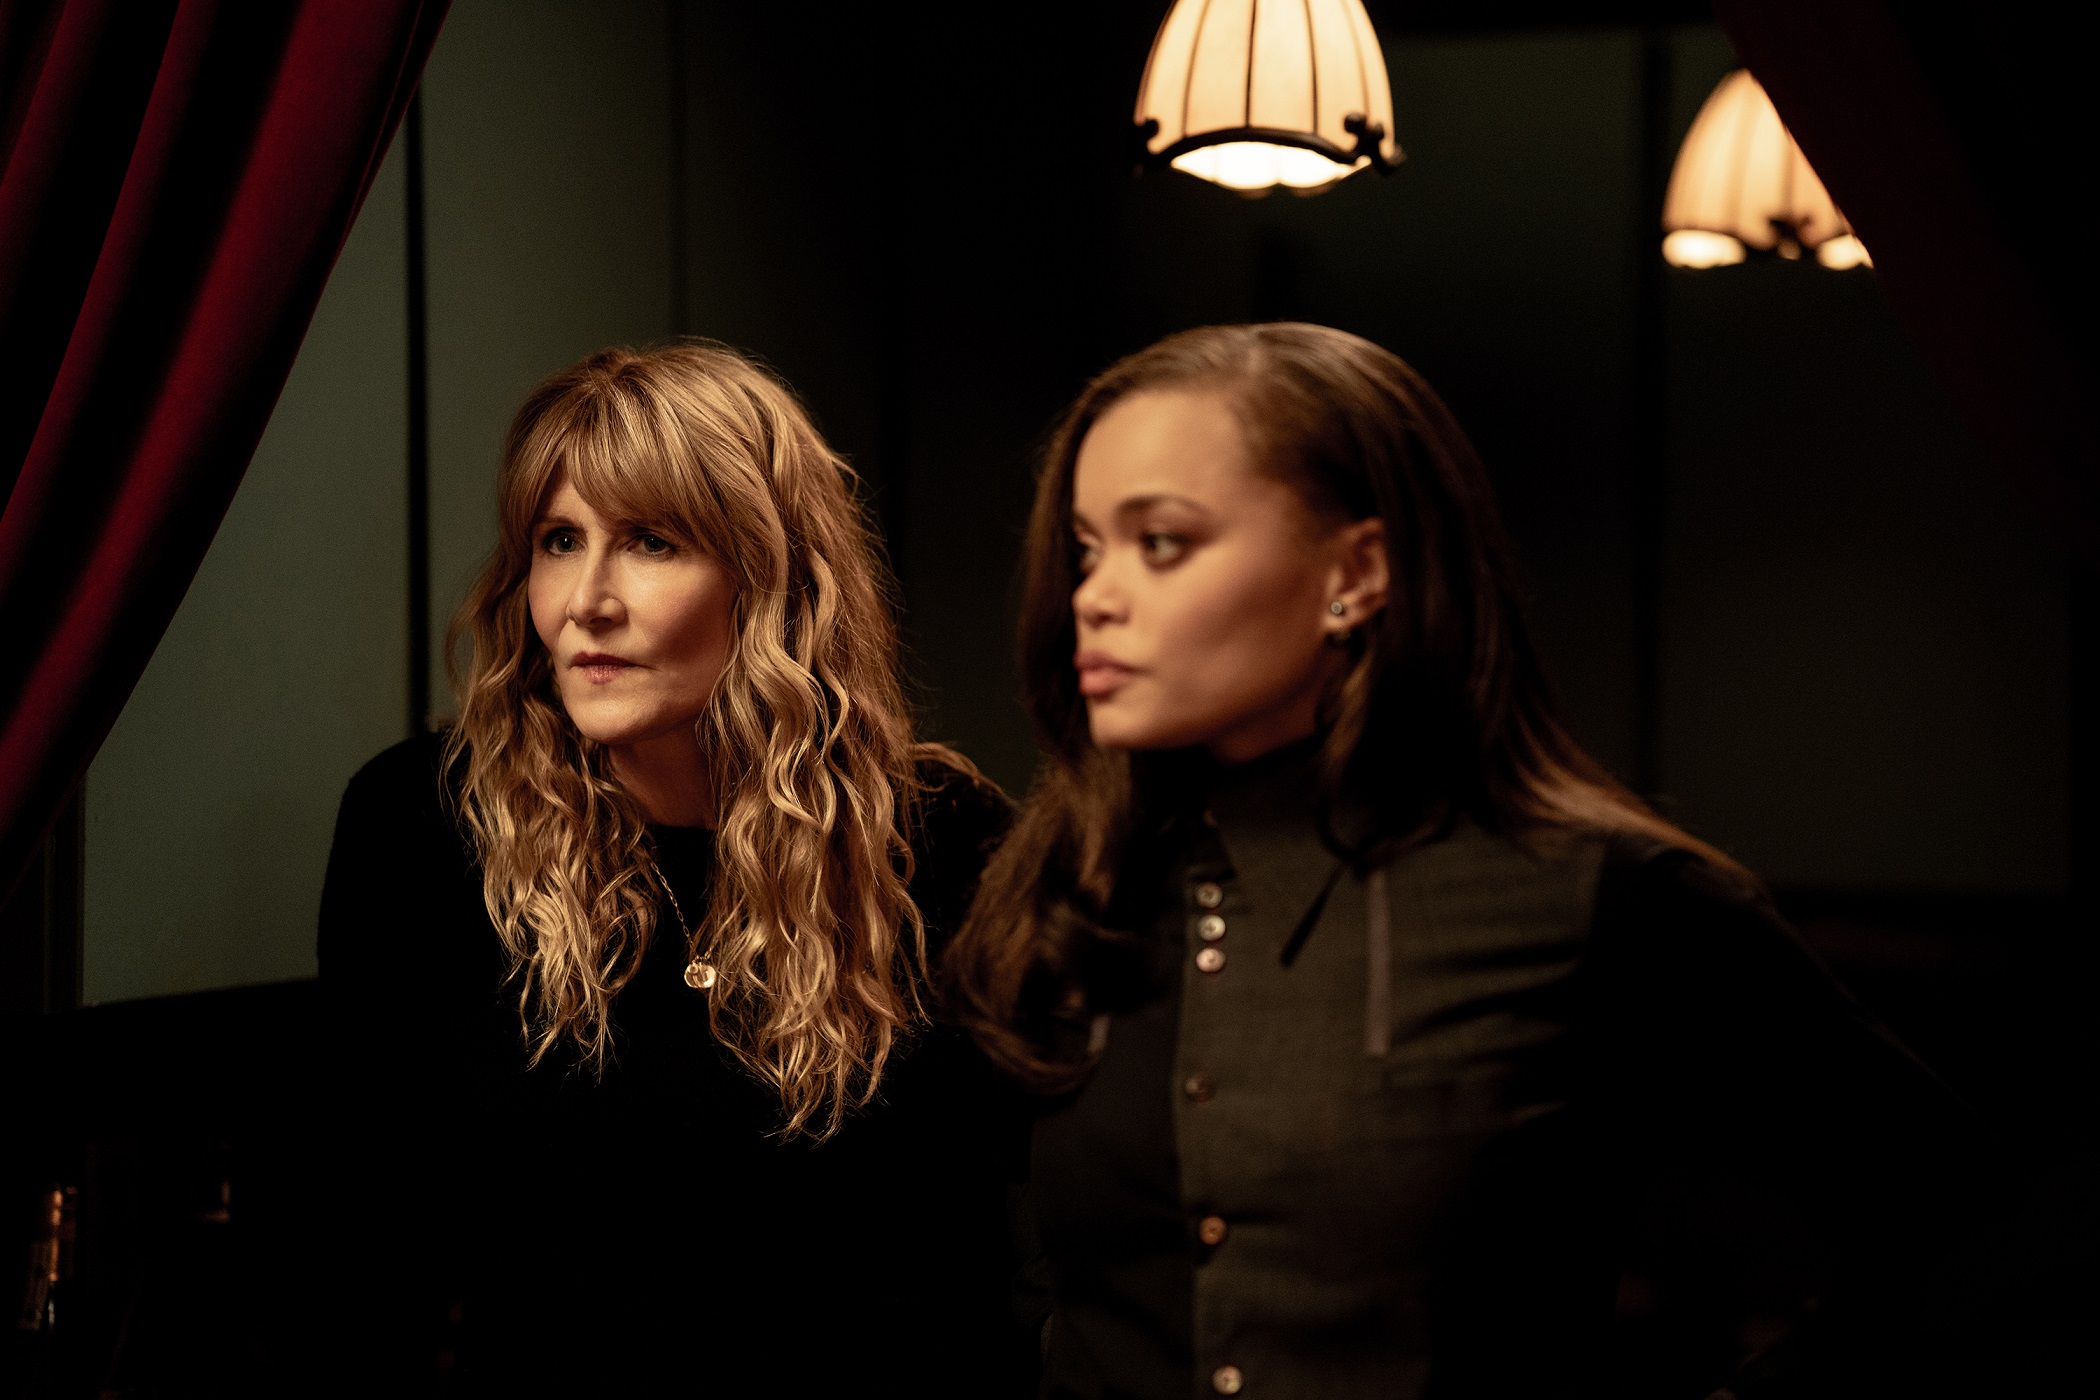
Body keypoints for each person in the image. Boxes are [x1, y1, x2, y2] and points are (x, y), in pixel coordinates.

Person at [944, 323, 2002, 1399]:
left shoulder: (1591, 892)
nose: (1094, 596)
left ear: (1355, 572)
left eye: (1162, 542)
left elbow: (1971, 1235)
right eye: (1087, 549)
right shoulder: (1068, 882)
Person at [319, 342, 1028, 1396]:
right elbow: (363, 1254)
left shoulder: (939, 842)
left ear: (770, 578)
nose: (587, 600)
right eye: (560, 541)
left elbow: (981, 1268)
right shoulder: (425, 824)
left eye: (651, 541)